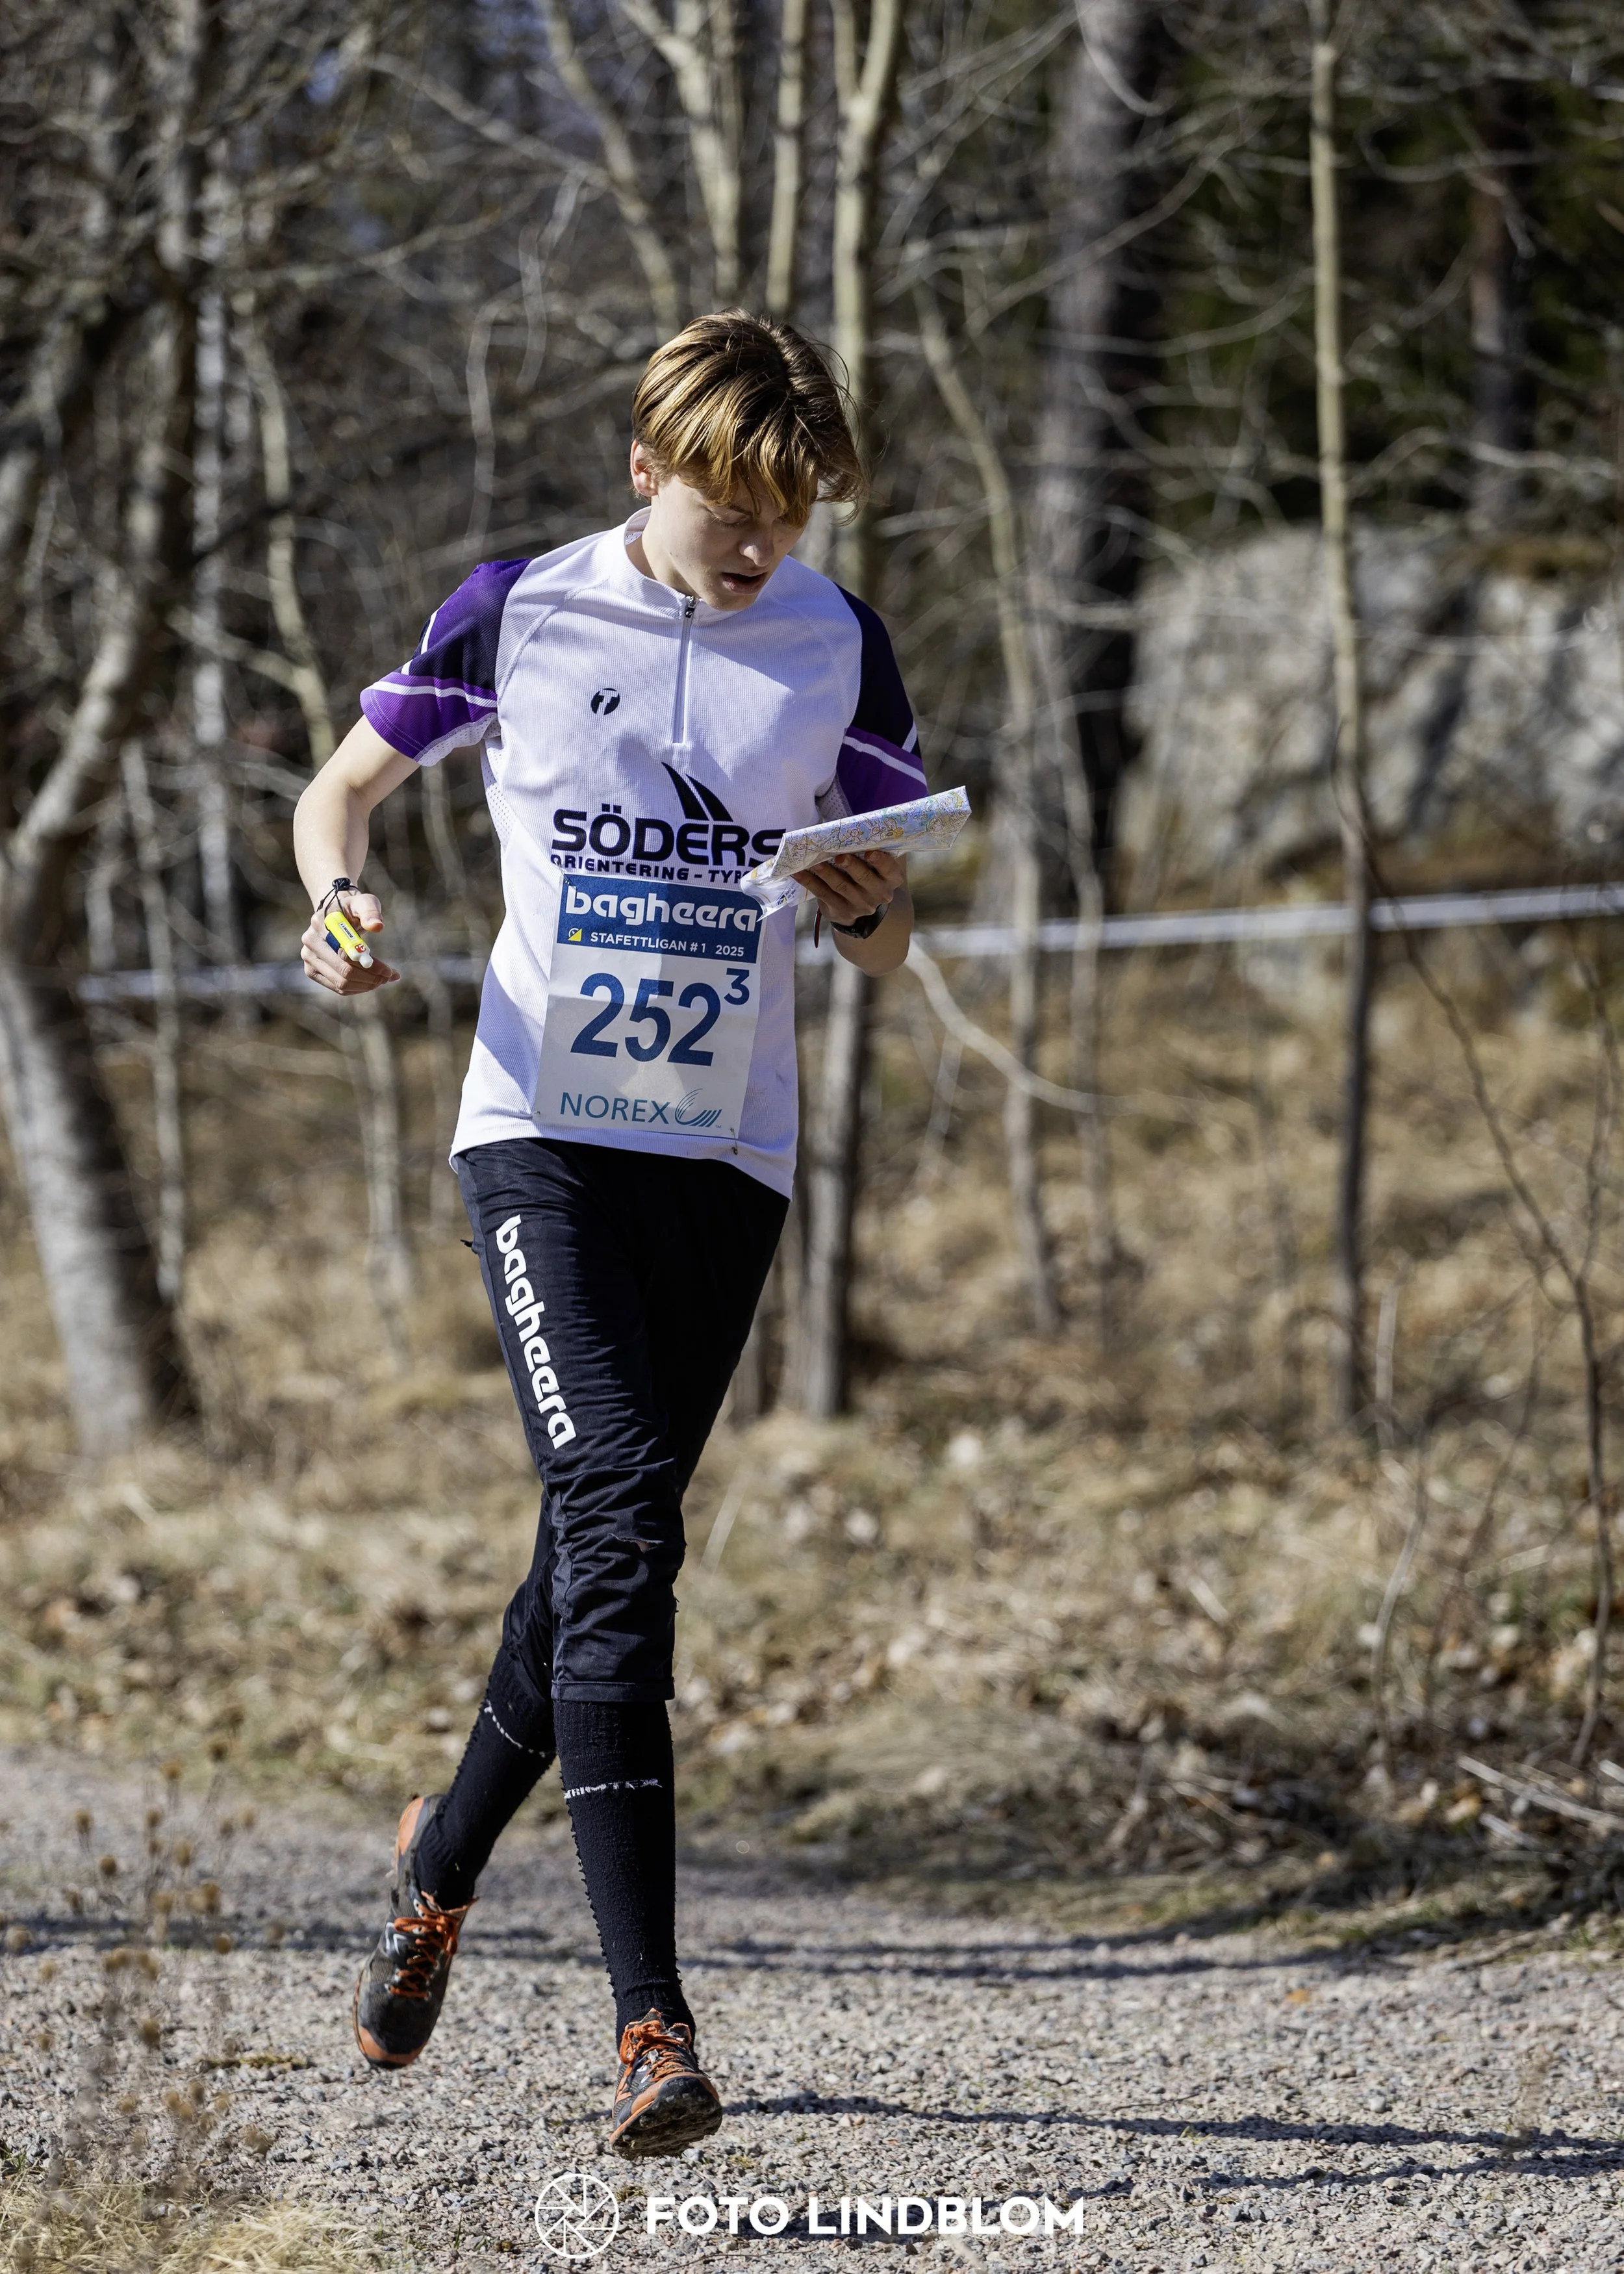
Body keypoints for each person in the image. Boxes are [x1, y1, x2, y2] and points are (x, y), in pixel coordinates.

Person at [292, 311, 921, 2158]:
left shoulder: (835, 645)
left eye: (788, 513)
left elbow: (883, 929)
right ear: (648, 465)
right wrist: (339, 901)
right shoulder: (522, 606)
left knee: (597, 1530)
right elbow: (343, 786)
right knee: (627, 1516)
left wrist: (877, 911)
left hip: (723, 1150)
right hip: (541, 1130)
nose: (756, 544)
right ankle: (650, 2021)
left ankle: (440, 1859)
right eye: (731, 502)